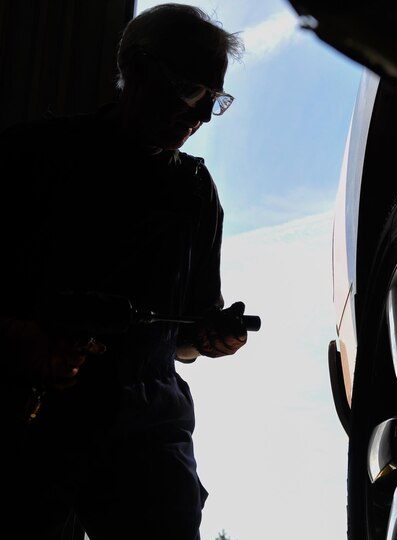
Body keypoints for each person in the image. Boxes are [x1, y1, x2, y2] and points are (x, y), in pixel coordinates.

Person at [0, 4, 248, 539]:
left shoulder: (196, 192)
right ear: (135, 69)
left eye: (214, 101)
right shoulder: (29, 159)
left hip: (147, 429)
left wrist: (208, 338)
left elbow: (183, 341)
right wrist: (20, 339)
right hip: (29, 418)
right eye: (189, 89)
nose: (200, 116)